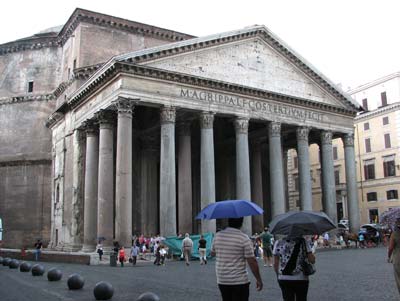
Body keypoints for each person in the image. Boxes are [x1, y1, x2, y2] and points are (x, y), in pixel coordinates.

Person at [211, 217, 263, 301]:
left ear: (228, 222)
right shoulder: (243, 238)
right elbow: (252, 261)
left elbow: (212, 253)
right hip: (239, 280)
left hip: (222, 279)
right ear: (241, 223)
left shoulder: (217, 236)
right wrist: (258, 279)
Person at [273, 235, 316, 301]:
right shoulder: (303, 241)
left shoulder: (278, 242)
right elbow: (312, 260)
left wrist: (277, 275)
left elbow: (275, 263)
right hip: (301, 278)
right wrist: (312, 255)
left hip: (284, 277)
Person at [388, 218, 400, 294]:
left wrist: (389, 256)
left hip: (398, 257)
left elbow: (391, 248)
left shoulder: (395, 234)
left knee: (398, 277)